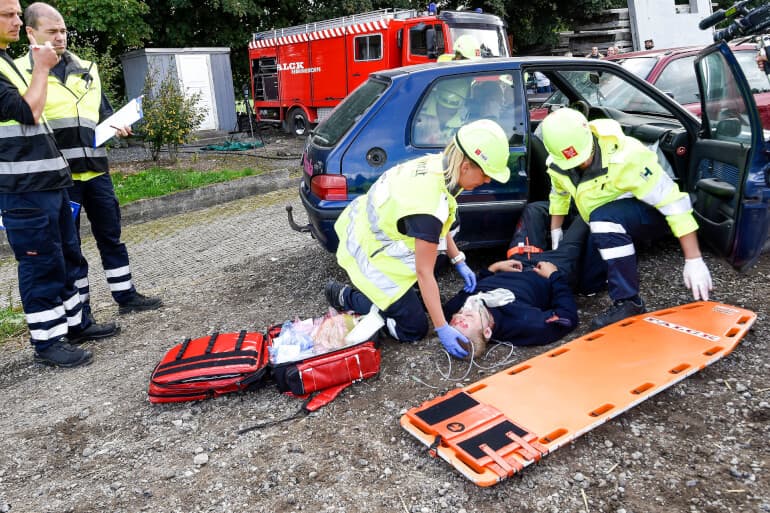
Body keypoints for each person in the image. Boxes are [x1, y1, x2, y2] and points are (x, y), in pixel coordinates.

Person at [18, 3, 162, 317]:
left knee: (111, 235)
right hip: (59, 178)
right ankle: (82, 311)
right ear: (31, 33)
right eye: (52, 32)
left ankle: (126, 296)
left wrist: (118, 125)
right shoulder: (20, 73)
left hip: (96, 171)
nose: (60, 38)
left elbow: (103, 113)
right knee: (69, 248)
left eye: (63, 31)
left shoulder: (88, 68)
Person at [325, 119, 511, 358]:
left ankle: (395, 302)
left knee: (429, 283)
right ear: (466, 166)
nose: (487, 181)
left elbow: (441, 225)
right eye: (486, 174)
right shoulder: (427, 205)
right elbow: (424, 272)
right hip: (371, 257)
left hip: (370, 231)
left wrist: (458, 260)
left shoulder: (441, 167)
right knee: (414, 328)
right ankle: (345, 296)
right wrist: (442, 327)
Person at [0, 0, 116, 368]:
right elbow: (30, 112)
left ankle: (75, 324)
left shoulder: (4, 63)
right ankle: (47, 344)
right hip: (23, 188)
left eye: (17, 13)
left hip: (48, 182)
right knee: (40, 264)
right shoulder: (14, 68)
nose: (16, 21)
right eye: (7, 14)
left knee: (63, 256)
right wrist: (40, 69)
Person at [539, 108, 712, 328]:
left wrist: (693, 258)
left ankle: (629, 301)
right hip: (601, 218)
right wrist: (556, 231)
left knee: (603, 218)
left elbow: (672, 201)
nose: (580, 165)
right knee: (587, 285)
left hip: (650, 213)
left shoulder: (628, 157)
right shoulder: (558, 163)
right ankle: (615, 266)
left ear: (590, 138)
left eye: (584, 158)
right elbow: (559, 194)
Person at [442, 218, 586, 358]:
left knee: (534, 210)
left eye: (459, 313)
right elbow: (566, 318)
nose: (467, 308)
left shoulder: (452, 309)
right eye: (469, 316)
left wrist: (494, 268)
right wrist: (554, 276)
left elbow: (470, 288)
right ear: (487, 332)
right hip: (547, 270)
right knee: (584, 218)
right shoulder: (521, 323)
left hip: (519, 260)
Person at [413, 78, 469, 145]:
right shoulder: (418, 109)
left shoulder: (465, 120)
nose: (447, 110)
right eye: (443, 107)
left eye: (453, 105)